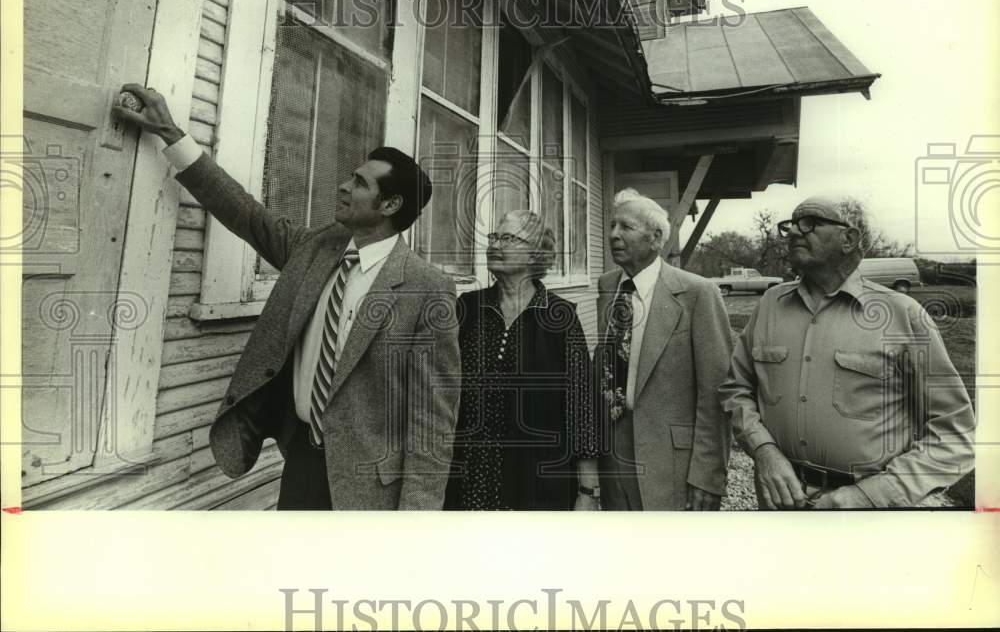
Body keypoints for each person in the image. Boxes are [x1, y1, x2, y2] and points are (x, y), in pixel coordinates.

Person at [113, 84, 460, 510]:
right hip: (301, 461)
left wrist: (415, 519)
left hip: (370, 487)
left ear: (390, 205)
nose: (342, 186)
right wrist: (169, 133)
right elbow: (245, 213)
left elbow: (431, 419)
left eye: (359, 183)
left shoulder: (428, 289)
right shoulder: (317, 248)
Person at [718, 196, 975, 509]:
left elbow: (955, 435)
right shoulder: (770, 305)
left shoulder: (902, 314)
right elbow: (737, 389)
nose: (795, 233)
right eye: (791, 226)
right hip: (778, 500)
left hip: (871, 512)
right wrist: (764, 452)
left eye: (810, 223)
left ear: (849, 238)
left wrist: (869, 496)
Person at [444, 210, 601, 510]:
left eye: (508, 238)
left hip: (538, 480)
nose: (495, 245)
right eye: (494, 237)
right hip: (470, 477)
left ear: (535, 255)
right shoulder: (467, 309)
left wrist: (588, 491)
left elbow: (581, 406)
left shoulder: (561, 317)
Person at [597, 189, 732, 510]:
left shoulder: (697, 293)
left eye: (626, 227)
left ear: (656, 238)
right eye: (612, 225)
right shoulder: (607, 287)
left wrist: (707, 475)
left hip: (672, 460)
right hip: (613, 451)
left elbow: (717, 393)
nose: (613, 234)